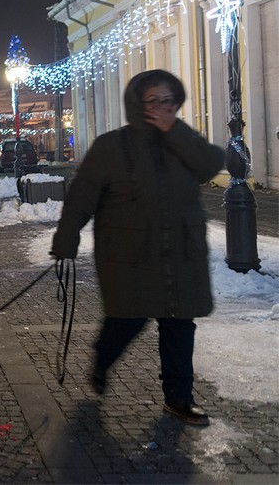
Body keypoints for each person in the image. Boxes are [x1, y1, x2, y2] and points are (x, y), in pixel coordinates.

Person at [51, 69, 224, 426]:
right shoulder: (111, 146)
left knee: (179, 324)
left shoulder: (184, 141)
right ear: (137, 104)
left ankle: (179, 398)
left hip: (180, 254)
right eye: (153, 100)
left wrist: (175, 131)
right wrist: (66, 239)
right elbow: (81, 198)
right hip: (130, 256)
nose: (162, 107)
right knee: (127, 320)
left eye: (168, 100)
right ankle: (103, 358)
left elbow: (211, 164)